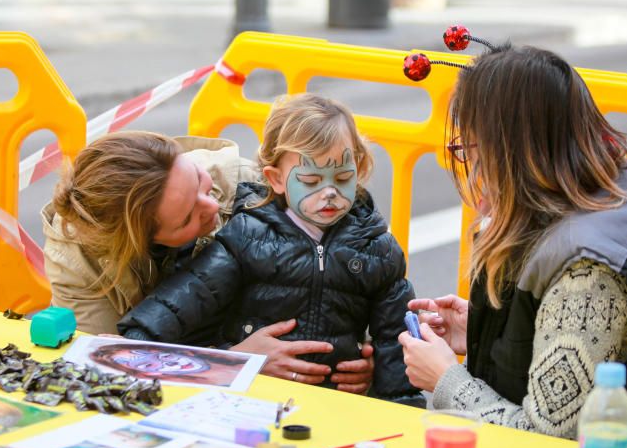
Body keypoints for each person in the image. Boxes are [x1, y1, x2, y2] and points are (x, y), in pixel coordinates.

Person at [398, 45, 627, 448]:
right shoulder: (615, 188)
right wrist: (482, 330)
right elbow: (571, 332)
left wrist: (446, 379)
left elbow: (544, 439)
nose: (467, 163)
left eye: (471, 146)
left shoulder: (589, 274)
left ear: (514, 152)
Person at [117, 95, 422, 404]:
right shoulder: (249, 235)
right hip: (254, 395)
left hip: (334, 402)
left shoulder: (377, 248)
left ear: (359, 167)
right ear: (276, 179)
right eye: (311, 180)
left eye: (343, 177)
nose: (329, 192)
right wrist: (137, 341)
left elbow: (395, 338)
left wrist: (404, 406)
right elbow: (187, 296)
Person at [43, 131, 375, 392]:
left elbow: (358, 272)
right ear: (141, 242)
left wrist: (363, 353)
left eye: (201, 182)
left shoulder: (254, 188)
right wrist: (233, 359)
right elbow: (113, 369)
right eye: (189, 216)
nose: (213, 207)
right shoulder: (78, 257)